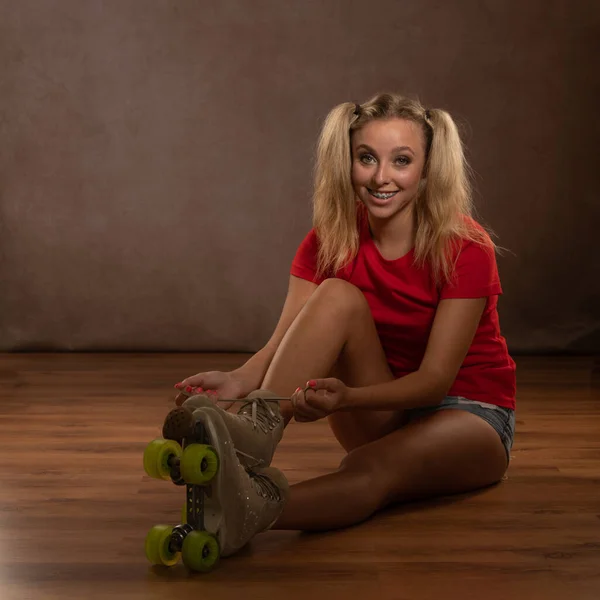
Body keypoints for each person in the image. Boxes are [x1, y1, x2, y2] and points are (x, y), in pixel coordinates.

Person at [163, 92, 517, 559]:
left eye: (402, 160)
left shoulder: (467, 246)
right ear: (347, 163)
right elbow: (286, 338)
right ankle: (254, 434)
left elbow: (433, 383)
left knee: (371, 465)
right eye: (366, 158)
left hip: (468, 412)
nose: (381, 176)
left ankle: (242, 509)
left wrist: (347, 399)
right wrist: (239, 381)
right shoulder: (330, 238)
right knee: (336, 295)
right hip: (383, 404)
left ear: (428, 170)